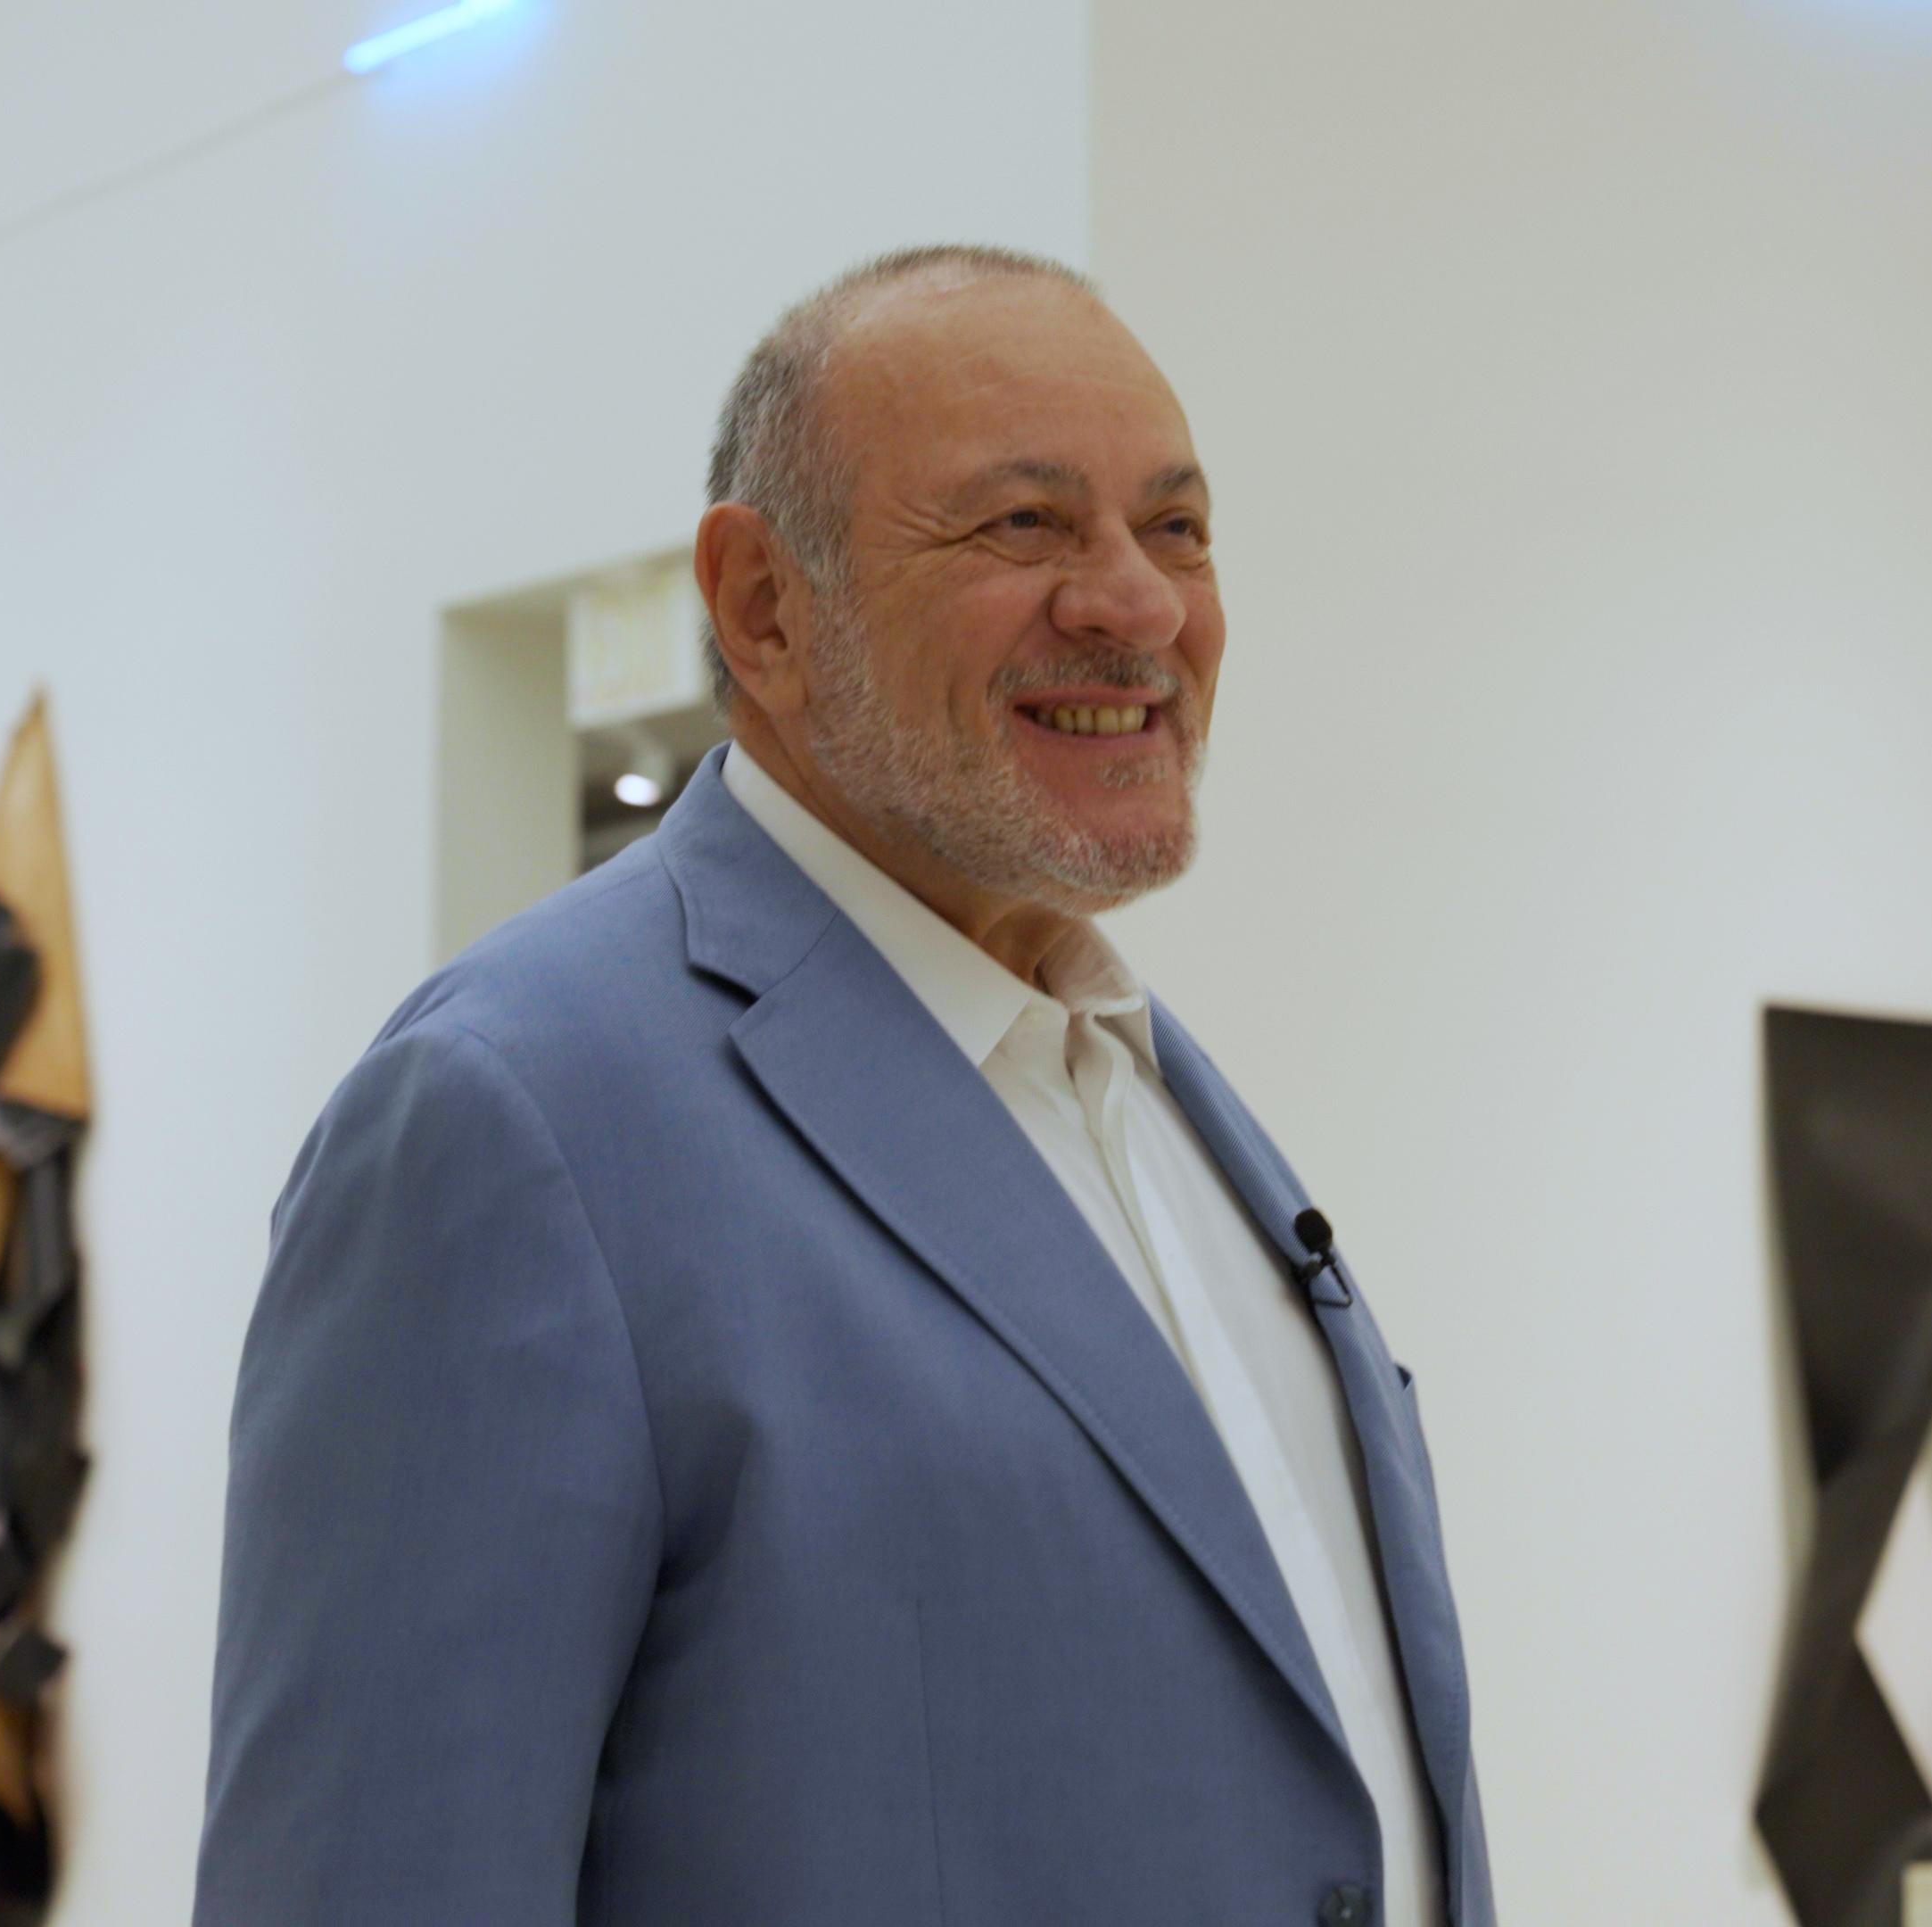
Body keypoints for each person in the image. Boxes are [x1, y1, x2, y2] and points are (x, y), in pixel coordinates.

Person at [195, 245, 1490, 1927]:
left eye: (1174, 527)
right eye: (1024, 526)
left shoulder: (1160, 1102)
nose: (1138, 604)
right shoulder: (511, 1121)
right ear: (760, 604)